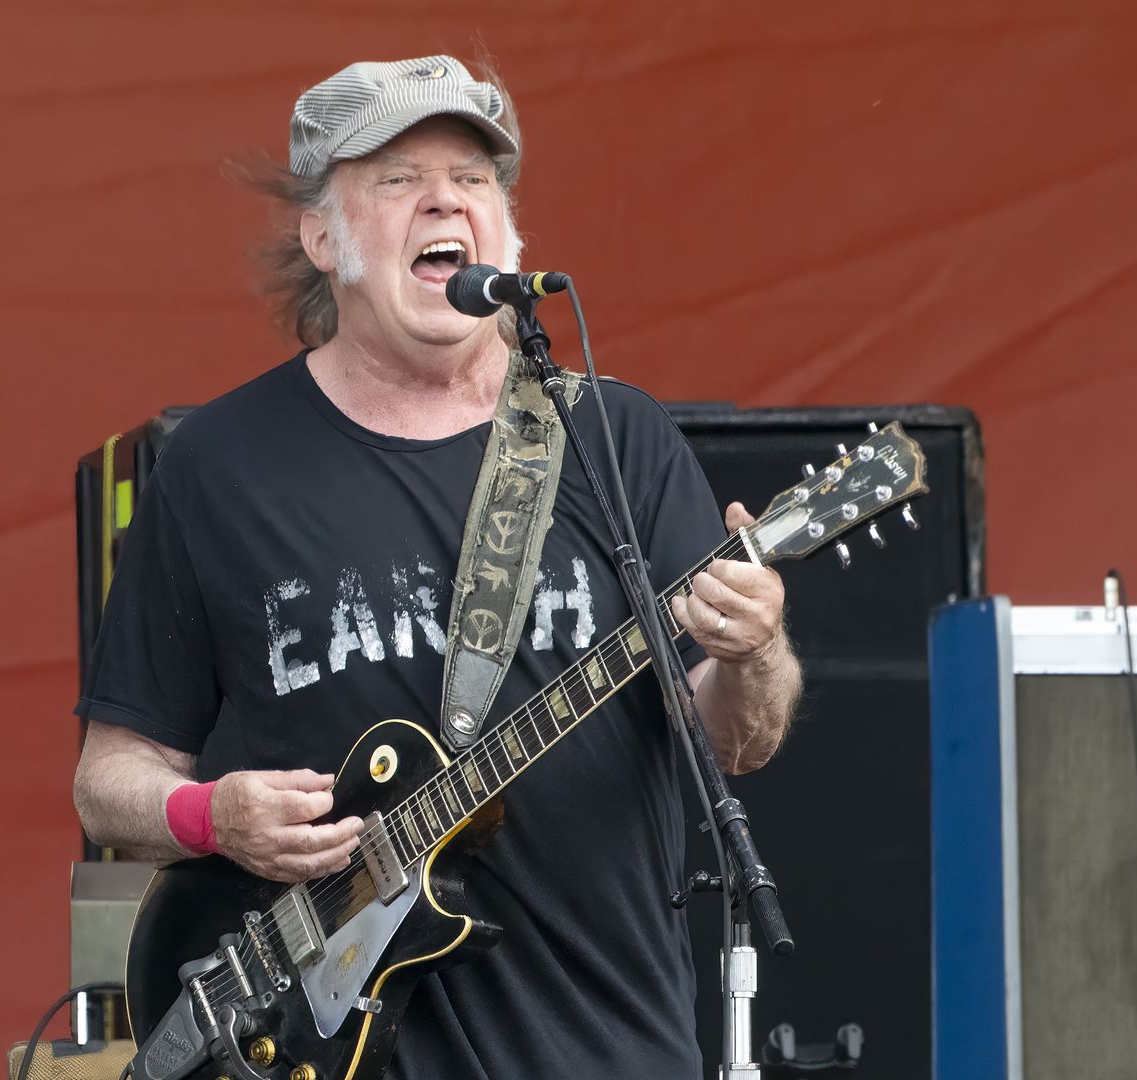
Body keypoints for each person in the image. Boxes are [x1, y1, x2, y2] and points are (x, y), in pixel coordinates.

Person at [73, 54, 801, 1079]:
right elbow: (108, 783)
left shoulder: (612, 437)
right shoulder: (219, 466)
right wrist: (211, 817)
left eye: (473, 177)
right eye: (399, 178)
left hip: (609, 1042)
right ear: (323, 237)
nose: (446, 199)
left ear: (509, 236)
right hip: (323, 1044)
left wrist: (756, 650)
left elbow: (740, 742)